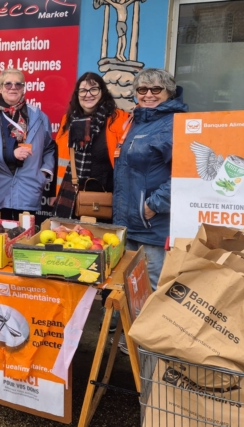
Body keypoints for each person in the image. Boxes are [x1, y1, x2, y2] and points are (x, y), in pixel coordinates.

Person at [113, 68, 188, 289]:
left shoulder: (174, 123)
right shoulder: (136, 121)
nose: (148, 95)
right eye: (142, 89)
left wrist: (153, 205)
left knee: (150, 289)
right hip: (128, 224)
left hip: (153, 227)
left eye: (156, 89)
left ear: (169, 92)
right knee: (129, 289)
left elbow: (186, 173)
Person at [0, 68, 57, 221]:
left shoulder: (39, 117)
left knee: (26, 235)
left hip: (28, 189)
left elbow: (49, 148)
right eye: (8, 84)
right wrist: (10, 153)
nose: (13, 88)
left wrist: (42, 174)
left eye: (18, 84)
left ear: (23, 88)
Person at [53, 72, 131, 219]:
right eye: (83, 90)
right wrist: (54, 194)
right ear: (77, 94)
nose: (88, 95)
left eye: (93, 89)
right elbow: (59, 160)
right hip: (71, 196)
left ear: (103, 92)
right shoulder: (68, 121)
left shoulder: (119, 119)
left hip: (106, 197)